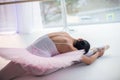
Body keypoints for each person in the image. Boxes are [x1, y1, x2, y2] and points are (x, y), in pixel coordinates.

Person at [0, 31, 110, 80]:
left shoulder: (63, 33)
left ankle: (96, 48)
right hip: (39, 68)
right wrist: (98, 55)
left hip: (25, 55)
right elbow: (89, 61)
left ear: (80, 38)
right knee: (72, 60)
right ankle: (96, 50)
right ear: (77, 50)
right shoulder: (71, 49)